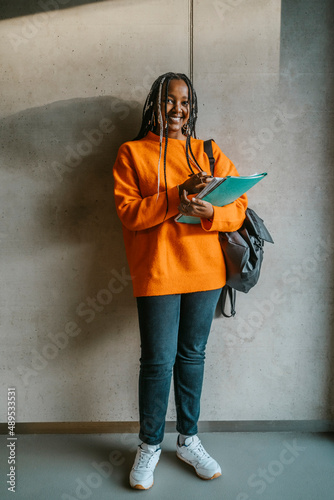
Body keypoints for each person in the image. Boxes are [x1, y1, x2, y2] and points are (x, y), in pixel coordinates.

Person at [113, 72, 247, 490]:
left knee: (192, 356)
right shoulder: (131, 153)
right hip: (157, 271)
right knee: (157, 361)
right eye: (169, 101)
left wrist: (212, 214)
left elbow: (239, 206)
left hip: (206, 271)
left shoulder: (207, 151)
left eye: (185, 102)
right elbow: (130, 214)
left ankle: (189, 440)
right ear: (154, 103)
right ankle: (150, 445)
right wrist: (176, 199)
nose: (177, 109)